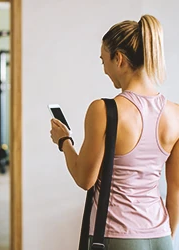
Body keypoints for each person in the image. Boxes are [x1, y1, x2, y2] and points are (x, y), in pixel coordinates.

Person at [50, 14, 178, 250]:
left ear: (118, 59)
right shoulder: (175, 114)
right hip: (161, 237)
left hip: (117, 235)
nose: (104, 70)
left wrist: (64, 141)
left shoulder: (105, 110)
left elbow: (84, 179)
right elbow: (176, 189)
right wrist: (164, 237)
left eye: (103, 61)